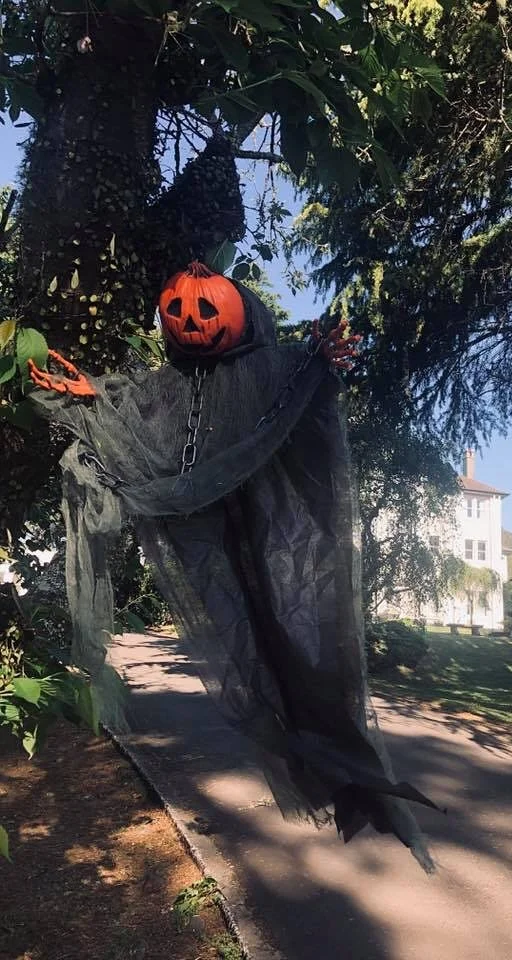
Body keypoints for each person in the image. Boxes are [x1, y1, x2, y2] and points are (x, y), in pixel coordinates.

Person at [29, 262, 437, 870]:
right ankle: (319, 763)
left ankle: (351, 770)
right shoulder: (168, 387)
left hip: (273, 528)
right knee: (243, 652)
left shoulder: (270, 372)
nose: (191, 320)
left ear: (240, 310)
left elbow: (304, 388)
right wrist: (95, 401)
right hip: (208, 538)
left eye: (206, 308)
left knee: (303, 644)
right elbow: (138, 415)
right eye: (178, 311)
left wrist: (320, 358)